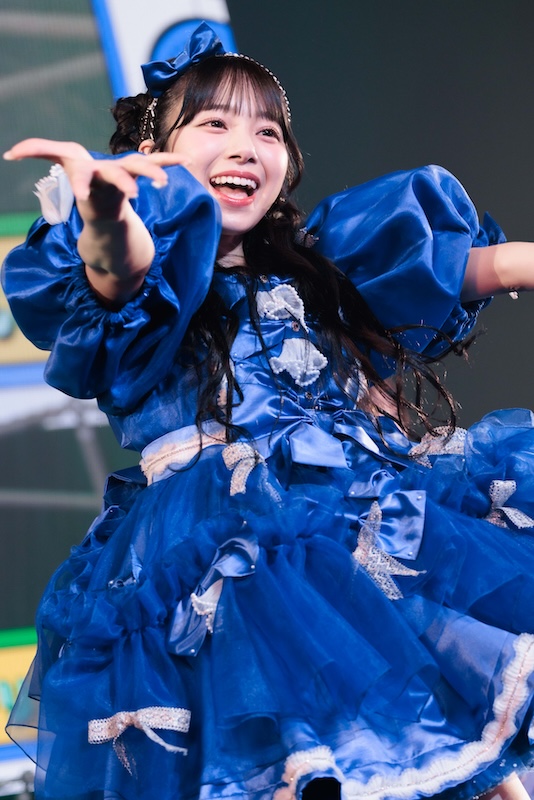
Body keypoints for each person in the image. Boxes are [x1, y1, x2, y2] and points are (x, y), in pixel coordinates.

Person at [2, 20, 534, 800]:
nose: (246, 147)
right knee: (294, 767)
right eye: (214, 125)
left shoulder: (327, 266)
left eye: (267, 131)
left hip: (364, 531)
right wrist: (109, 217)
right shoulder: (160, 280)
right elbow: (121, 273)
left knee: (471, 758)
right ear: (153, 152)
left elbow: (482, 265)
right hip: (237, 558)